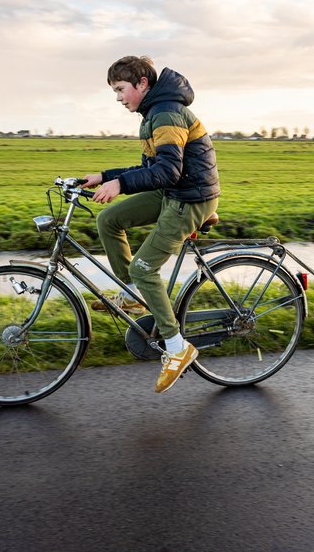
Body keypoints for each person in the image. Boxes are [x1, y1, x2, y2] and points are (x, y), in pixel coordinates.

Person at [80, 56, 220, 393]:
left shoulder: (167, 113)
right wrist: (104, 176)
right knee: (109, 218)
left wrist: (119, 186)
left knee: (145, 268)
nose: (117, 97)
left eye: (120, 89)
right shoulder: (154, 113)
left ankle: (177, 348)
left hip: (189, 198)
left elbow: (168, 170)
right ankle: (134, 296)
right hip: (173, 191)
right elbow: (152, 168)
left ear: (142, 83)